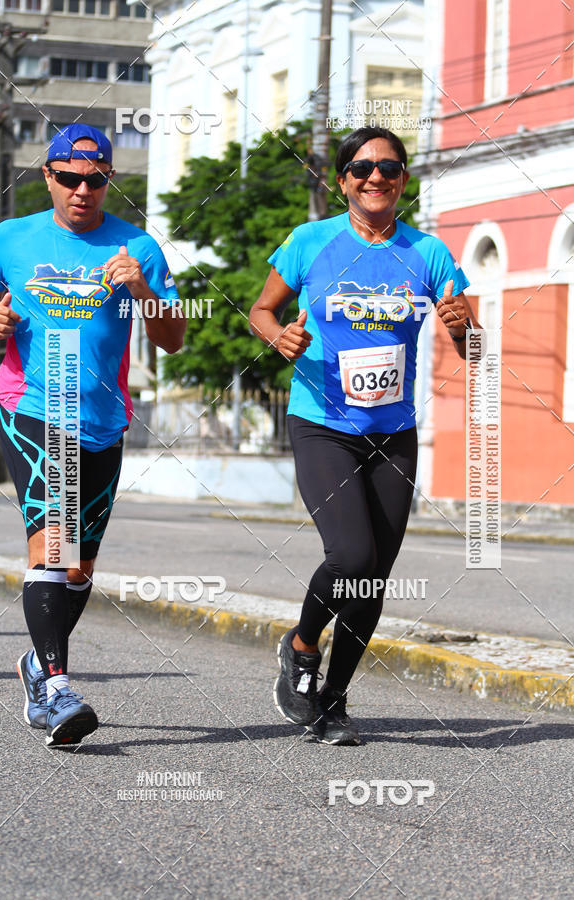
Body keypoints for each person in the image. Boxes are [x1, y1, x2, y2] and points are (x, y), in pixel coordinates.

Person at [250, 126, 479, 745]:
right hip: (323, 425)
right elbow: (262, 310)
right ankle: (302, 646)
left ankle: (333, 700)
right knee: (351, 558)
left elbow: (476, 348)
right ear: (342, 180)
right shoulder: (310, 241)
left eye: (389, 168)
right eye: (362, 167)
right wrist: (278, 336)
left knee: (373, 576)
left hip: (393, 433)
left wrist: (464, 327)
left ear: (403, 180)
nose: (376, 177)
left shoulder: (428, 252)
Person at [0, 124, 185, 746]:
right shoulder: (12, 237)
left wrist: (142, 290)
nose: (81, 190)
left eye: (95, 180)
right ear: (48, 176)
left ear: (109, 180)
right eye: (69, 178)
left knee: (79, 567)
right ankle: (58, 691)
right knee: (55, 546)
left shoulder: (138, 247)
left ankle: (37, 667)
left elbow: (172, 339)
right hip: (34, 405)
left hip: (103, 419)